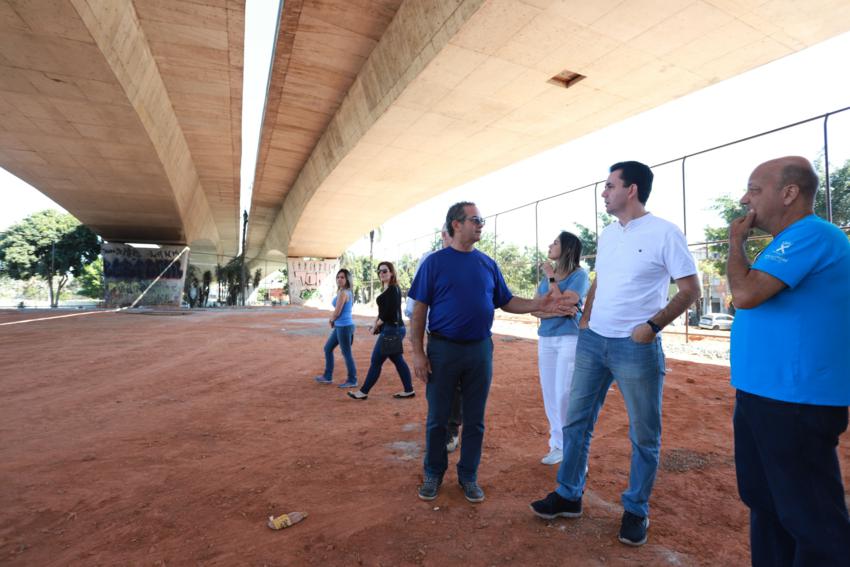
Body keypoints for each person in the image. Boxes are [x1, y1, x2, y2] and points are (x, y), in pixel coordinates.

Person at [530, 161, 700, 547]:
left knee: (644, 434)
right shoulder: (607, 235)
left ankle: (636, 509)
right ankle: (569, 495)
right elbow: (600, 280)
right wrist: (586, 319)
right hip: (592, 342)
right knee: (576, 423)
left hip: (635, 346)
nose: (604, 192)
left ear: (632, 190)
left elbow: (691, 291)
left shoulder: (665, 233)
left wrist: (652, 327)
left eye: (609, 185)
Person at [408, 201, 578, 503]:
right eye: (476, 219)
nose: (481, 224)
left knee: (475, 419)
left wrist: (539, 304)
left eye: (481, 219)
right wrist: (418, 354)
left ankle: (468, 476)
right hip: (442, 349)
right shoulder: (434, 263)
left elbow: (506, 300)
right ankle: (433, 473)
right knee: (438, 417)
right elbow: (419, 310)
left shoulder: (487, 263)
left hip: (479, 350)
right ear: (456, 224)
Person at [727, 156, 850, 566]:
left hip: (796, 401)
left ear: (790, 193)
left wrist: (734, 245)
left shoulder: (812, 233)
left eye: (755, 190)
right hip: (764, 395)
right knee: (766, 505)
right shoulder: (783, 244)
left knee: (813, 521)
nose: (746, 199)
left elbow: (744, 295)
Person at [532, 231, 590, 465]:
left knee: (565, 393)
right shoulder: (546, 279)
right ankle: (557, 445)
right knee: (550, 394)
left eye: (555, 242)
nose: (550, 245)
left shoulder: (579, 275)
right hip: (546, 338)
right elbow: (535, 309)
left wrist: (551, 277)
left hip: (569, 338)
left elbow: (567, 301)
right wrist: (556, 310)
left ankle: (574, 450)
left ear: (566, 249)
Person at [405, 226, 463, 453]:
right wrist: (417, 350)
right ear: (444, 235)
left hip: (464, 340)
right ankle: (440, 426)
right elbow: (415, 307)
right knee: (438, 384)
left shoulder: (469, 259)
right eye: (452, 234)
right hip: (437, 337)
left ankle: (451, 428)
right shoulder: (430, 260)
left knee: (458, 387)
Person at [348, 261, 415, 400]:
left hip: (392, 330)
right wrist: (375, 323)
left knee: (376, 360)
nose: (381, 273)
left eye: (385, 271)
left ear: (391, 272)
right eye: (379, 271)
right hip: (392, 329)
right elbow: (382, 311)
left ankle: (363, 391)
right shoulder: (386, 288)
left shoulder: (393, 289)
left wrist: (376, 326)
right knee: (397, 360)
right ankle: (408, 389)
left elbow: (388, 314)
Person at [315, 269, 358, 388]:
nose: (339, 279)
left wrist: (331, 319)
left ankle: (352, 379)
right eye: (338, 277)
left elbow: (337, 311)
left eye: (342, 277)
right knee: (328, 348)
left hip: (344, 327)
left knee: (346, 353)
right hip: (341, 326)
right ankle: (327, 376)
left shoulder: (344, 293)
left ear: (347, 279)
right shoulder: (345, 291)